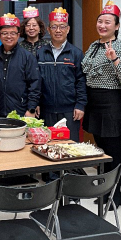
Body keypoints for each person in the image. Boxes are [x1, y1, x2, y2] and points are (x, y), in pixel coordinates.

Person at [81, 1, 121, 208]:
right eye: (100, 21)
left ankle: (115, 194)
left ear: (116, 26)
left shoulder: (120, 48)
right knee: (101, 151)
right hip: (94, 102)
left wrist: (114, 59)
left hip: (111, 103)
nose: (102, 25)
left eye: (108, 22)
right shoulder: (93, 46)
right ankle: (104, 191)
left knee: (114, 152)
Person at [37, 8, 86, 142]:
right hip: (46, 111)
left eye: (62, 26)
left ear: (68, 29)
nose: (58, 30)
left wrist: (80, 105)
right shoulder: (40, 53)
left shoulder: (76, 53)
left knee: (70, 147)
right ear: (48, 29)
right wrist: (35, 103)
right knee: (47, 146)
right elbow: (36, 81)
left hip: (70, 111)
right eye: (54, 27)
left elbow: (81, 81)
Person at [0, 13, 40, 118]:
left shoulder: (27, 57)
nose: (9, 36)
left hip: (21, 112)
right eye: (5, 33)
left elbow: (35, 84)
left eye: (12, 33)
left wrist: (31, 108)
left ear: (18, 35)